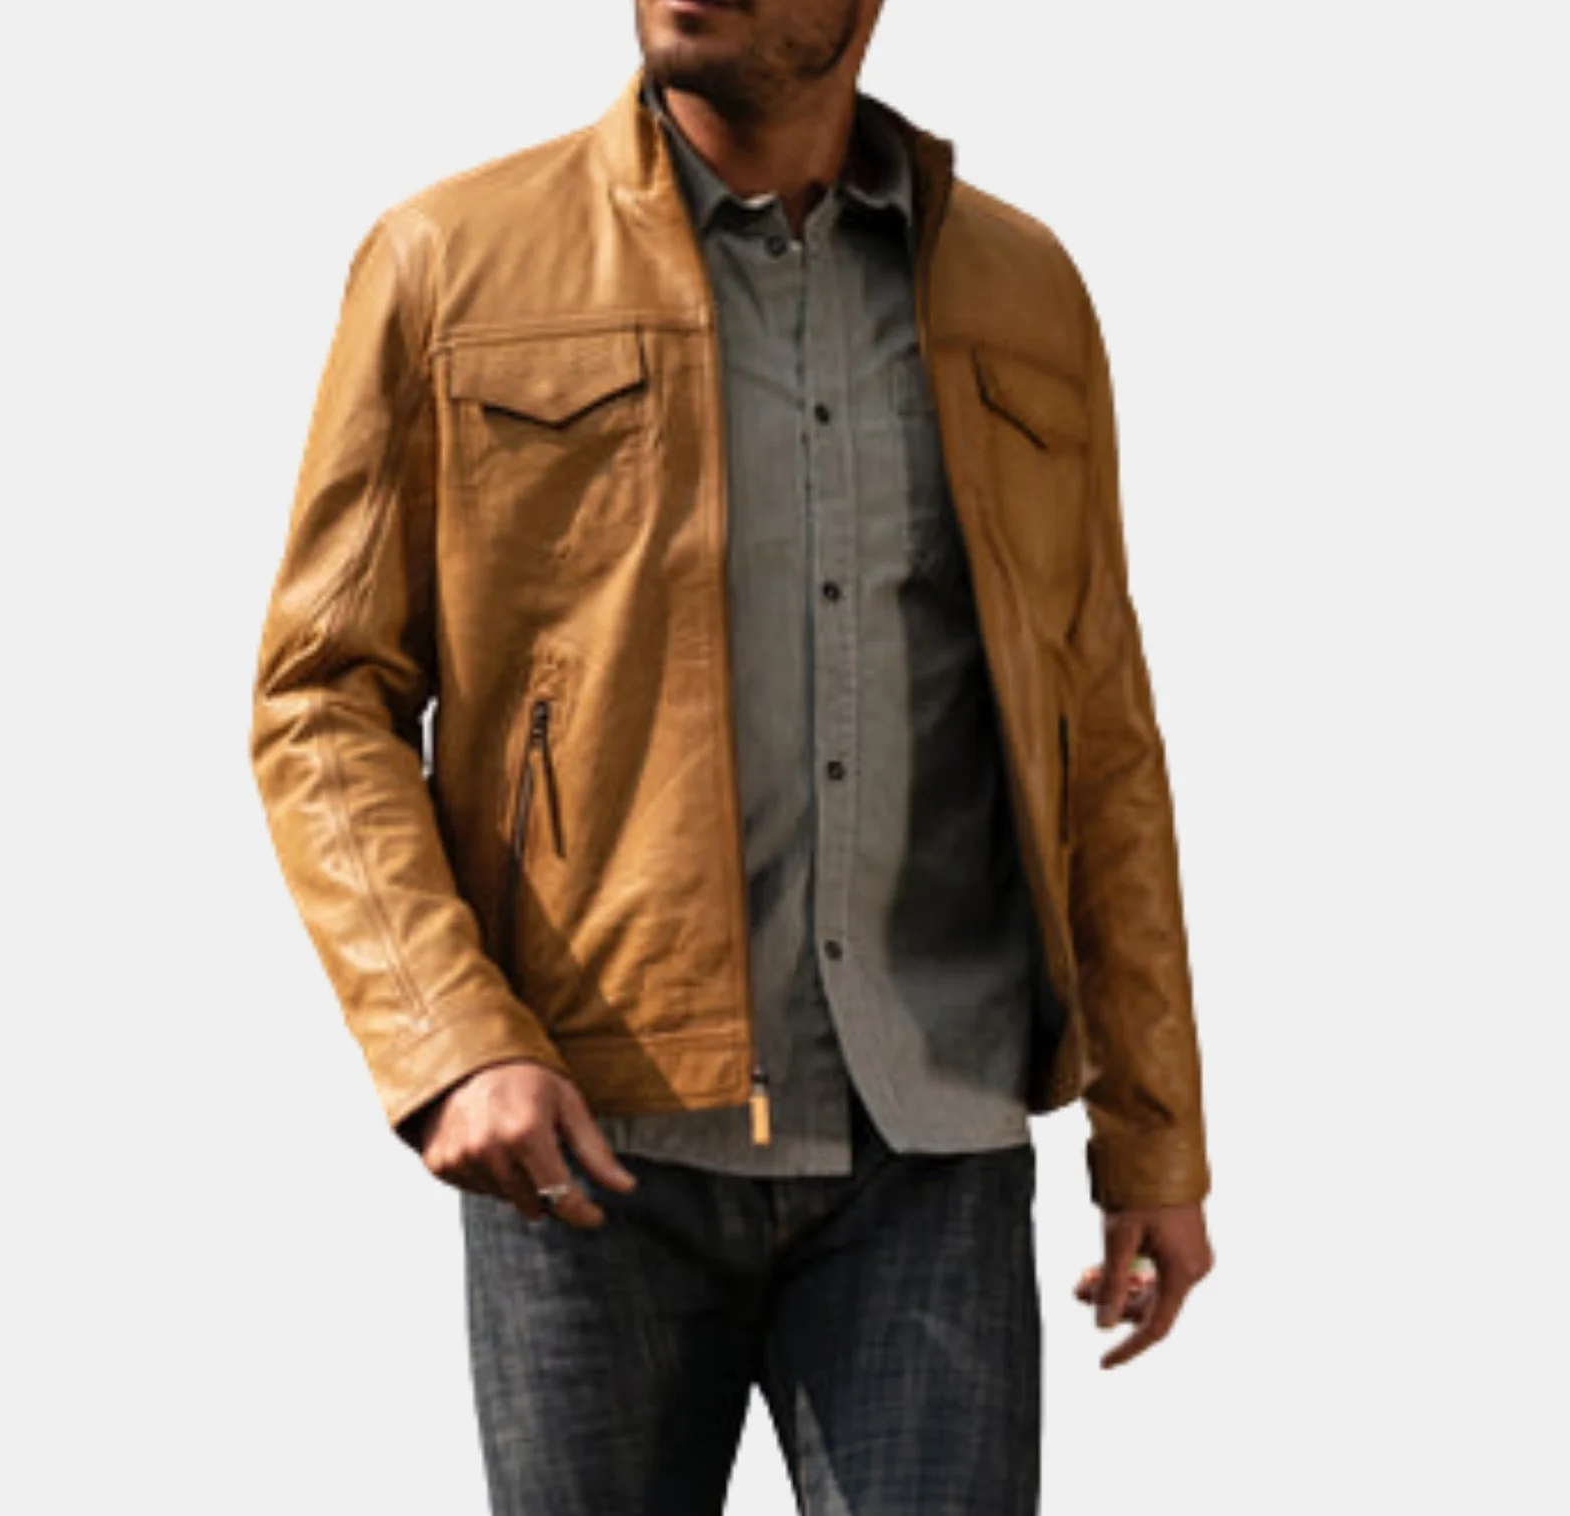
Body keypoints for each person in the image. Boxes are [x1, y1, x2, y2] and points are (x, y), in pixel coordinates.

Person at [249, 1, 1215, 1509]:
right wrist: (451, 1043)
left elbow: (1098, 725)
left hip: (929, 1143)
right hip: (585, 1146)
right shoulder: (451, 263)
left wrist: (1154, 1133)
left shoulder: (1021, 290)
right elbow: (322, 695)